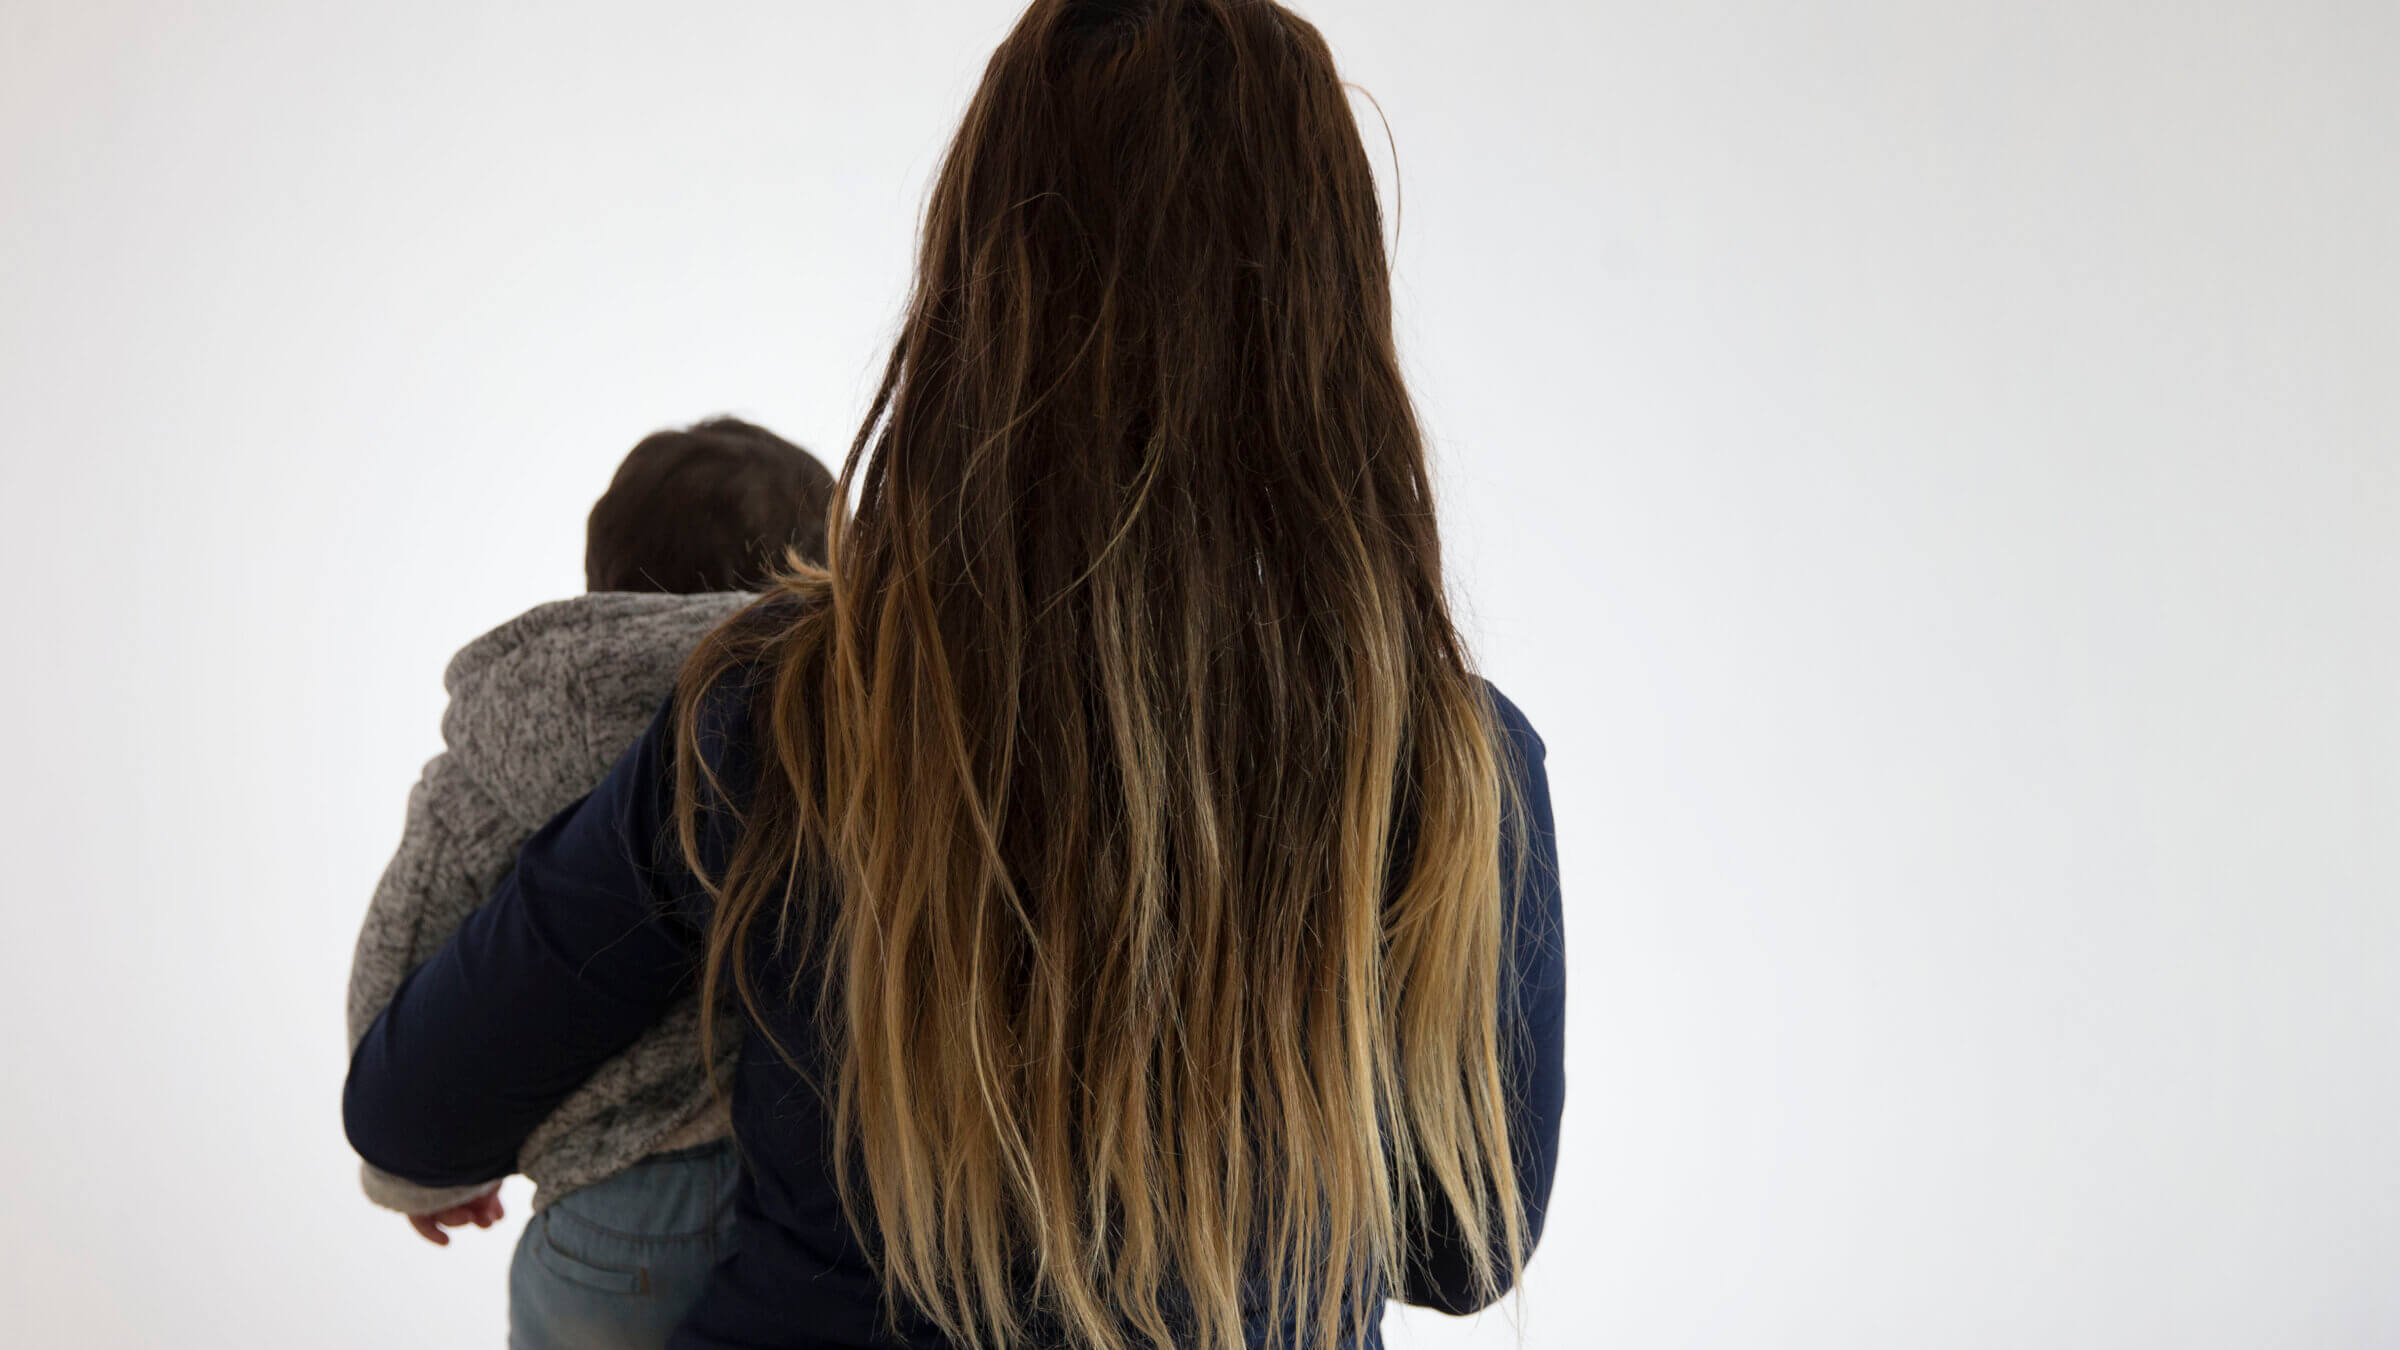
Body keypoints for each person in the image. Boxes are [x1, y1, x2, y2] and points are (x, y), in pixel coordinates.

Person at [345, 2, 1566, 1347]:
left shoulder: (793, 706)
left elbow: (415, 1107)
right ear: (1333, 321)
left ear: (982, 282)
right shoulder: (1453, 762)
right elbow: (1465, 1242)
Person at [344, 416, 836, 1349]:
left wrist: (418, 1176)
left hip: (614, 1218)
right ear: (811, 570)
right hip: (817, 1184)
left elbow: (398, 964)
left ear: (603, 572)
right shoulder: (825, 713)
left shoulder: (504, 732)